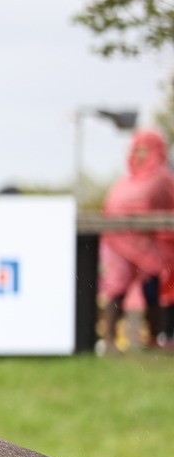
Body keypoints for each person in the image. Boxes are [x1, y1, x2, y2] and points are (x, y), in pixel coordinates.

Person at [99, 128, 174, 351]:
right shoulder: (126, 182)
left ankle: (155, 338)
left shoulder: (161, 179)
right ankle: (109, 340)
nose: (140, 155)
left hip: (150, 247)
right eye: (137, 149)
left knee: (154, 289)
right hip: (118, 244)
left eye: (145, 149)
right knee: (116, 289)